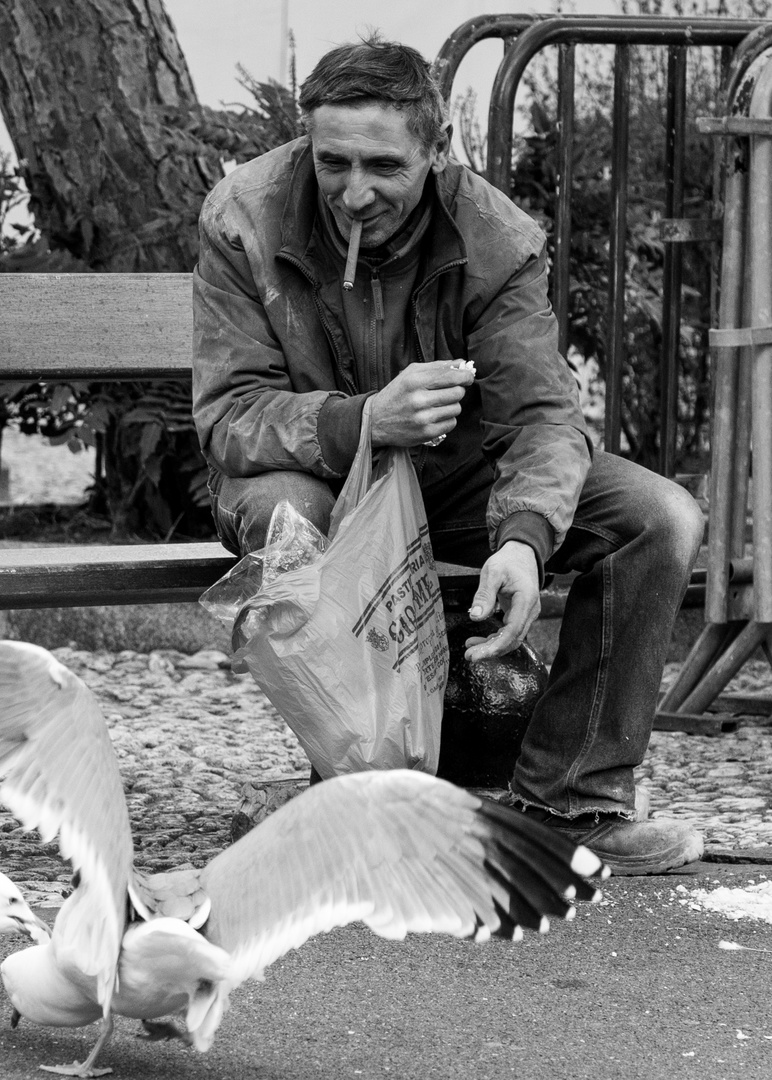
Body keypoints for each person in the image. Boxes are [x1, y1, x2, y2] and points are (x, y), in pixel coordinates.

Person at [191, 35, 706, 874]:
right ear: (306, 145)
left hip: (455, 479)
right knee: (293, 519)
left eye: (383, 167)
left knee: (662, 517)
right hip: (311, 473)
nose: (354, 193)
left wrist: (523, 536)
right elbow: (229, 420)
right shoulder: (243, 216)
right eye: (333, 163)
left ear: (437, 151)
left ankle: (569, 802)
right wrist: (363, 420)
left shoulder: (497, 236)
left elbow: (542, 417)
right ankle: (352, 801)